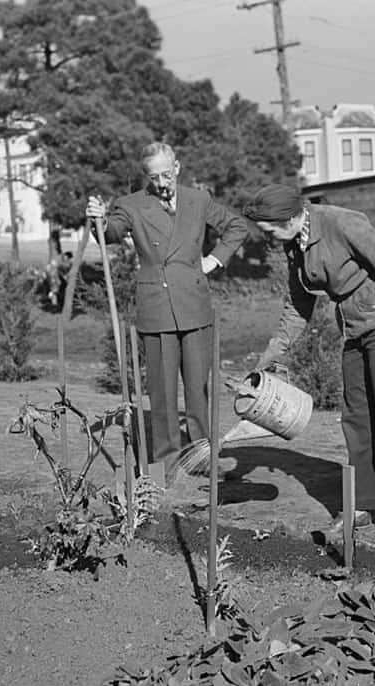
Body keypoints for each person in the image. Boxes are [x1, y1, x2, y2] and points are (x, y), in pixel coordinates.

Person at [243, 184, 375, 546]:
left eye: (269, 227)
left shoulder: (341, 223)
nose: (267, 234)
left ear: (289, 217)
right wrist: (272, 355)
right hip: (354, 330)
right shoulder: (295, 245)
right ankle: (361, 506)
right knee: (357, 421)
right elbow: (297, 306)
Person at [85, 142, 249, 474]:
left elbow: (237, 227)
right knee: (161, 392)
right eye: (154, 176)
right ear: (146, 176)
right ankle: (165, 462)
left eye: (166, 173)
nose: (162, 182)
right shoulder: (131, 204)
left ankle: (202, 456)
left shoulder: (198, 200)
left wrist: (213, 260)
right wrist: (99, 221)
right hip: (157, 309)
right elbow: (111, 232)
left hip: (194, 304)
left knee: (198, 389)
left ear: (177, 167)